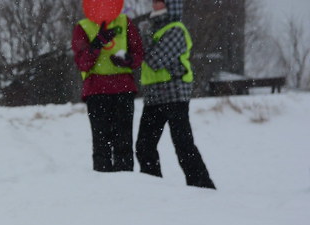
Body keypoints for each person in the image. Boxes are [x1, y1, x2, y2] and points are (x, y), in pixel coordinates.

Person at [136, 0, 215, 189]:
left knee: (183, 144)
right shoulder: (153, 28)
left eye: (158, 2)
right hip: (154, 96)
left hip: (174, 94)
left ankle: (202, 186)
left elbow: (155, 60)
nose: (153, 5)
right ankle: (152, 186)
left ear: (170, 6)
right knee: (144, 146)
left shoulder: (176, 29)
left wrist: (144, 37)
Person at [72, 9, 144, 172]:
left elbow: (138, 53)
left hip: (123, 89)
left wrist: (128, 60)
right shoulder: (83, 27)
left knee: (124, 143)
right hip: (97, 92)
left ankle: (125, 183)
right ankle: (104, 186)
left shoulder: (125, 22)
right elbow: (82, 63)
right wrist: (97, 44)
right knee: (101, 144)